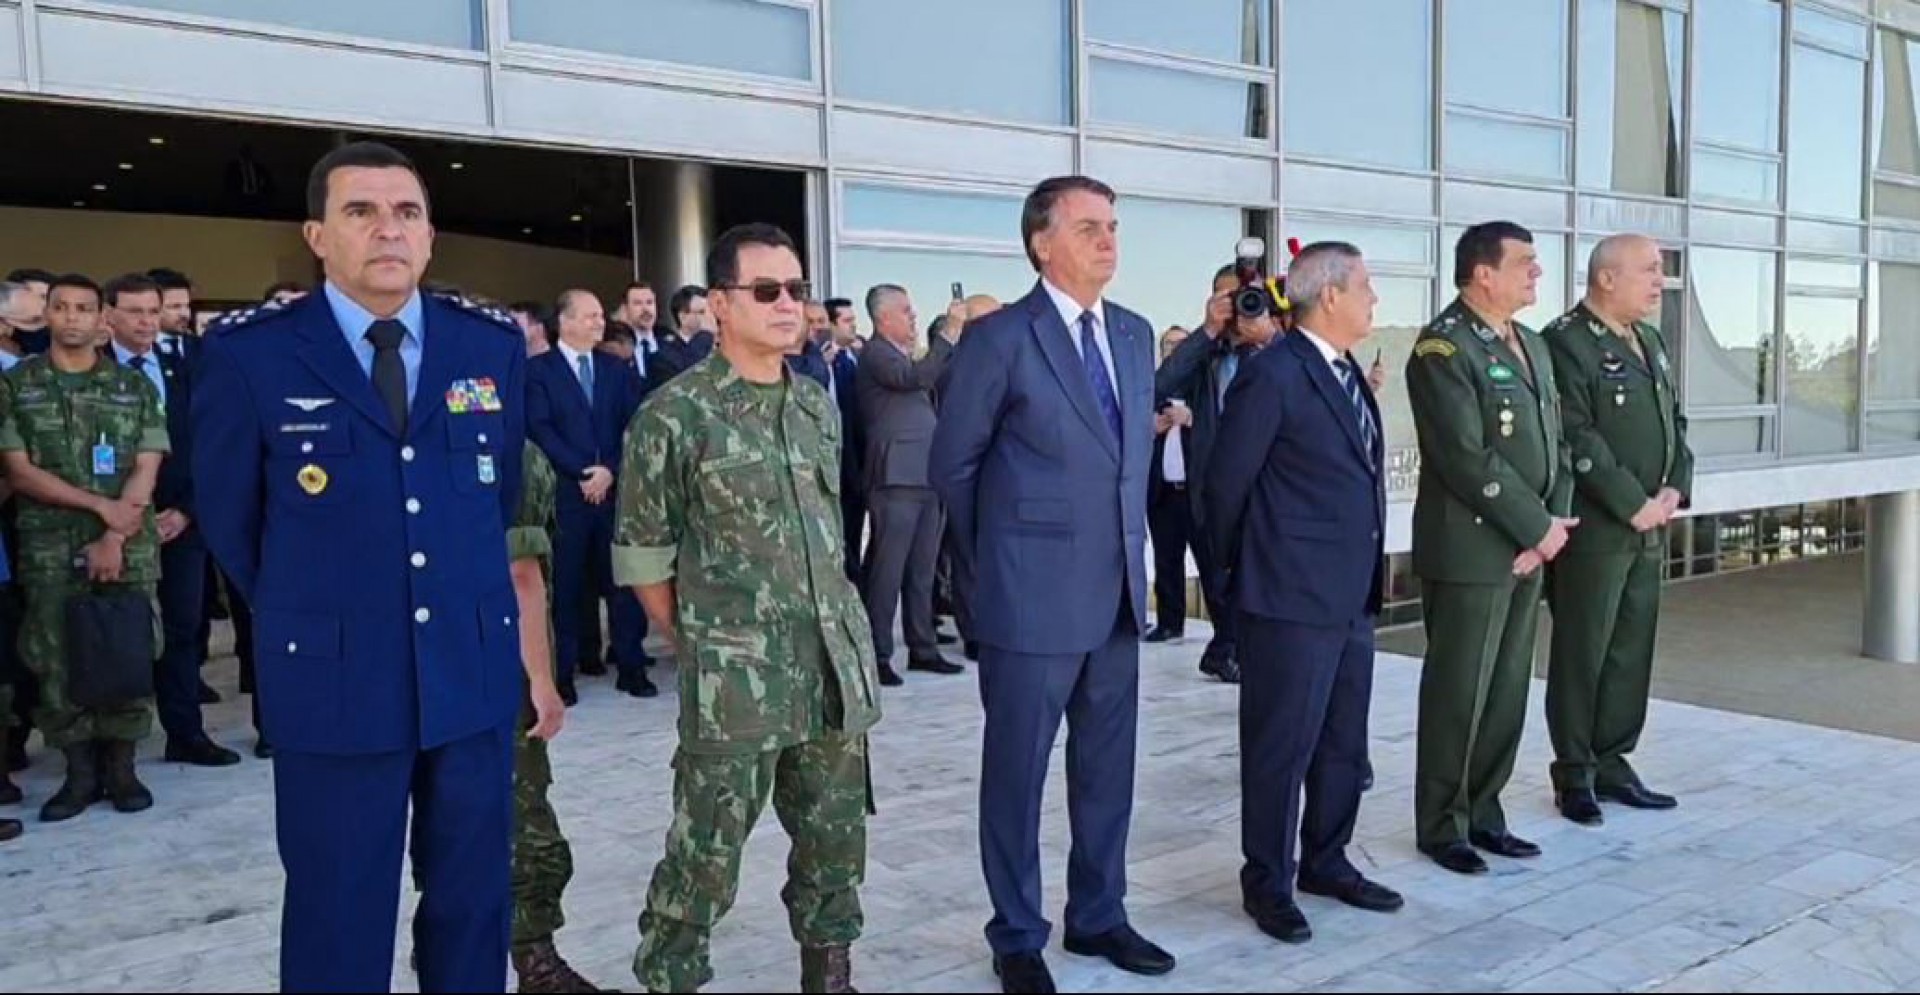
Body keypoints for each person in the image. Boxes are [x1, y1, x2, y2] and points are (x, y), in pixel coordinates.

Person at [191, 140, 528, 992]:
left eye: (407, 212)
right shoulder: (251, 354)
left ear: (431, 234)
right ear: (317, 233)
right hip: (336, 685)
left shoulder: (487, 346)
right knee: (339, 913)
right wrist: (318, 615)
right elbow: (234, 522)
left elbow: (499, 499)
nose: (389, 230)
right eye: (361, 211)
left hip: (470, 673)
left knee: (472, 902)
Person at [613, 223, 881, 995]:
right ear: (720, 305)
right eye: (767, 290)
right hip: (737, 684)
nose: (788, 304)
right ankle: (670, 976)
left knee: (836, 842)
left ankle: (829, 974)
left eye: (795, 289)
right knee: (704, 852)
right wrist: (705, 641)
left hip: (833, 668)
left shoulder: (816, 407)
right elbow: (644, 556)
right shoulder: (674, 415)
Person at [930, 176, 1173, 994]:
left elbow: (1123, 467)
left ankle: (1098, 913)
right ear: (1041, 242)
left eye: (1113, 225)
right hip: (1027, 600)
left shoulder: (1136, 336)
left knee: (1108, 771)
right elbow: (954, 469)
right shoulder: (1000, 338)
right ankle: (1017, 932)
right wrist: (987, 576)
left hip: (1114, 600)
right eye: (1088, 227)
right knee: (1018, 773)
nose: (1109, 240)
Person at [1205, 243, 1404, 946]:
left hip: (1350, 596)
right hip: (1286, 596)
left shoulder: (1345, 368)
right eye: (1367, 286)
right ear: (1329, 296)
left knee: (1342, 742)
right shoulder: (1275, 374)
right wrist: (1235, 583)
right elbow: (1225, 485)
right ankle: (1268, 879)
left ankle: (1327, 858)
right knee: (1278, 748)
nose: (1374, 300)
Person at [1406, 221, 1575, 876]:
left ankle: (1485, 810)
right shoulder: (1444, 348)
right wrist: (1536, 528)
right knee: (1460, 689)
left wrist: (1549, 526)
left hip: (1530, 544)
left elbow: (1556, 443)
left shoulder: (1530, 343)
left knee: (1506, 686)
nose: (1537, 273)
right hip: (1473, 548)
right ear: (1483, 273)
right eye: (1525, 263)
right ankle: (1442, 821)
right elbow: (1464, 456)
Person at [0, 273, 168, 823]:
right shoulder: (15, 385)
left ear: (102, 319)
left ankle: (123, 768)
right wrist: (99, 509)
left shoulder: (133, 387)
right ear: (46, 315)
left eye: (84, 308)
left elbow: (148, 463)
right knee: (55, 655)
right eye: (61, 307)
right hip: (49, 545)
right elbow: (18, 471)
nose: (72, 317)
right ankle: (78, 773)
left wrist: (116, 533)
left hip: (129, 545)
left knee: (128, 649)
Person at [1541, 234, 1692, 824]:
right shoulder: (1567, 343)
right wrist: (1633, 502)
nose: (1660, 281)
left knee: (1631, 647)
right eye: (1650, 271)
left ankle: (1613, 760)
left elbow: (1673, 421)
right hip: (1598, 528)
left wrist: (1674, 486)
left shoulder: (1649, 340)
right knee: (1585, 649)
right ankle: (1574, 772)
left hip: (1649, 523)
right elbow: (1576, 434)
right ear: (1606, 278)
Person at [503, 439, 614, 992]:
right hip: (498, 676)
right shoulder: (509, 449)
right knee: (530, 834)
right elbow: (523, 576)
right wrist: (543, 683)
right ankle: (536, 967)